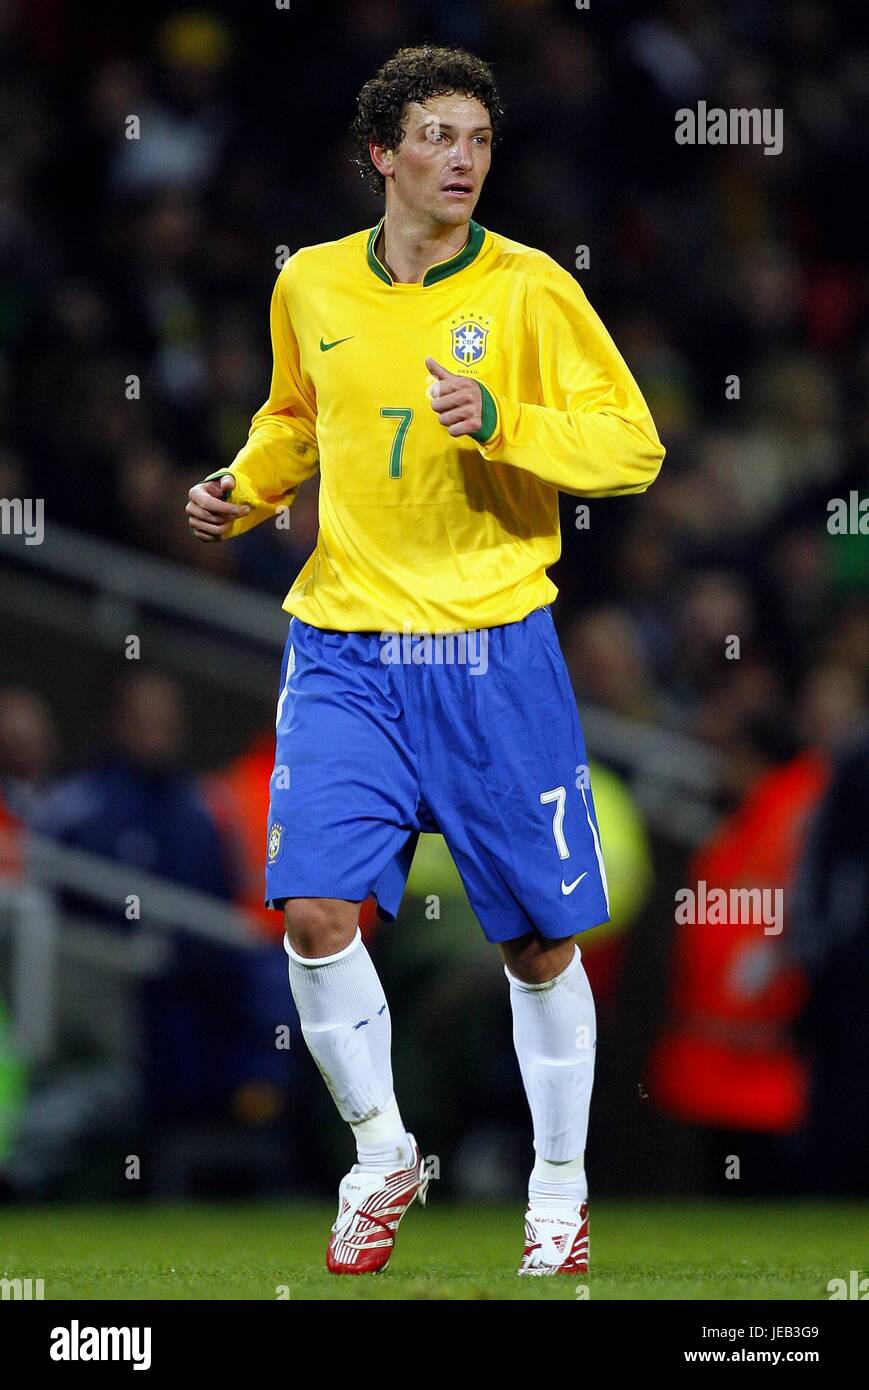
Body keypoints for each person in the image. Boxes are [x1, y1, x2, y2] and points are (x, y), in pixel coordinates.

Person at [185, 45, 664, 1276]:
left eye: (478, 141)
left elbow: (630, 446)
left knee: (537, 947)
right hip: (344, 641)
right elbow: (297, 416)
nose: (462, 161)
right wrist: (244, 489)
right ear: (381, 155)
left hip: (491, 647)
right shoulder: (313, 288)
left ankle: (556, 1186)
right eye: (438, 138)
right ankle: (381, 1151)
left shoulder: (529, 290)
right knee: (310, 913)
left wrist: (501, 420)